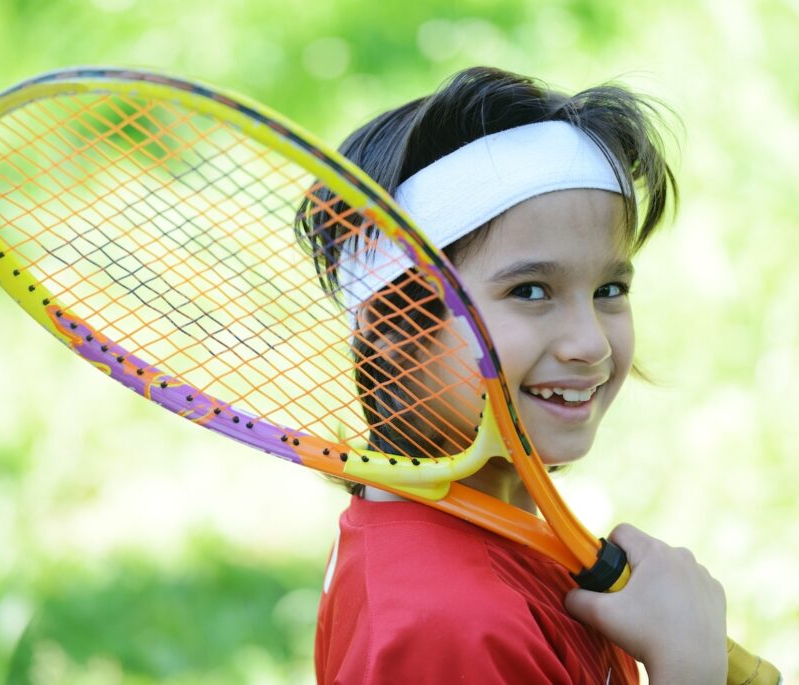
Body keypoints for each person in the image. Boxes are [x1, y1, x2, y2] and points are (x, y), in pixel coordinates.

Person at [308, 66, 728, 684]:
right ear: (391, 327)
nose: (591, 343)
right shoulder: (447, 626)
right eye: (530, 291)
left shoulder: (486, 544)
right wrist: (690, 668)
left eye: (610, 289)